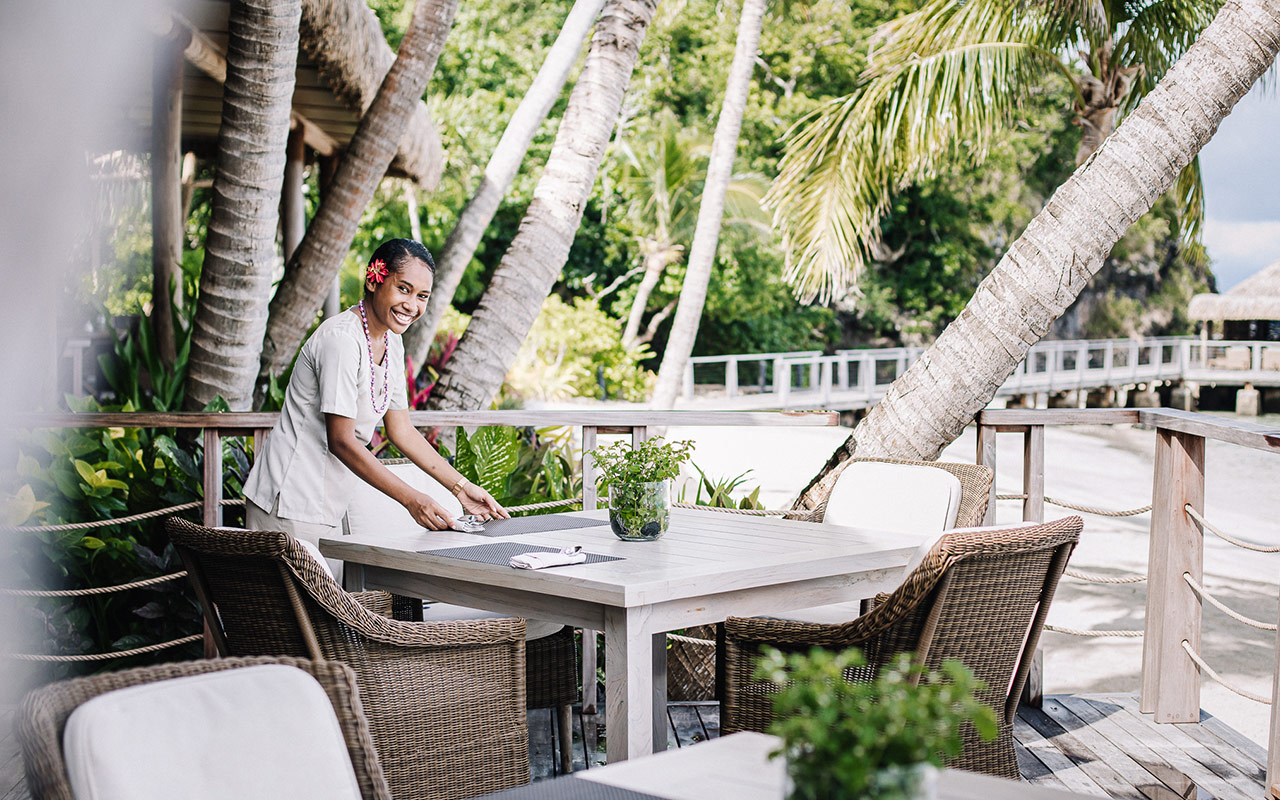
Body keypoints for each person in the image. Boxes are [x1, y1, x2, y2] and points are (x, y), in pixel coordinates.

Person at [243, 239, 508, 575]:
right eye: (404, 289)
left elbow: (402, 431)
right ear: (374, 280)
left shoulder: (391, 342)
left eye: (422, 296)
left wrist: (462, 488)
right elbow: (341, 439)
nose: (411, 304)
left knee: (326, 618)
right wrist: (412, 499)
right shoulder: (341, 339)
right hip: (290, 501)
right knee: (294, 622)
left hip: (326, 503)